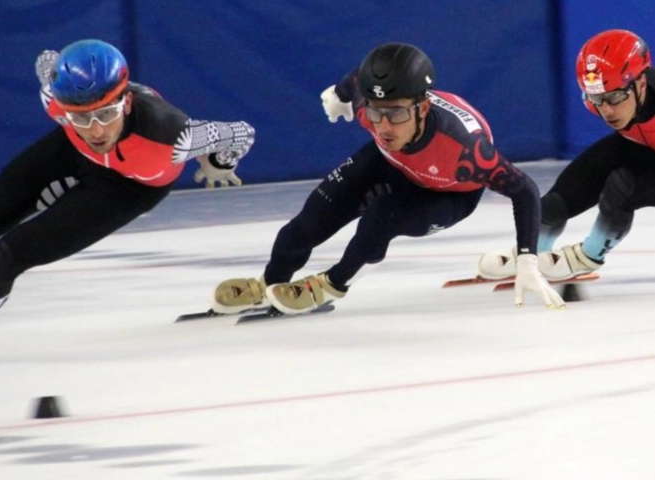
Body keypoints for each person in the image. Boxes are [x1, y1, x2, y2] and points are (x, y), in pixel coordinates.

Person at [0, 39, 255, 354]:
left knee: (5, 257)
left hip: (128, 188)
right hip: (73, 153)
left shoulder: (175, 135)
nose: (96, 130)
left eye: (106, 114)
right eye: (81, 117)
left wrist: (218, 164)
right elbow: (46, 59)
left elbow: (242, 132)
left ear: (126, 102)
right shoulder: (55, 96)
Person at [209, 42, 563, 317]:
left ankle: (331, 285)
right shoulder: (369, 105)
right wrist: (339, 95)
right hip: (393, 163)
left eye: (395, 114)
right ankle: (269, 282)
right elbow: (356, 80)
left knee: (380, 218)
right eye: (376, 112)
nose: (383, 126)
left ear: (423, 108)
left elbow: (524, 190)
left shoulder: (466, 150)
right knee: (309, 220)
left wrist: (527, 259)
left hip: (448, 192)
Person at [478, 29, 653, 281]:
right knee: (567, 190)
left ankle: (588, 256)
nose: (606, 111)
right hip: (642, 144)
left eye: (614, 97)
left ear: (642, 84)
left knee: (622, 187)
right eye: (596, 98)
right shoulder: (605, 100)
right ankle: (532, 251)